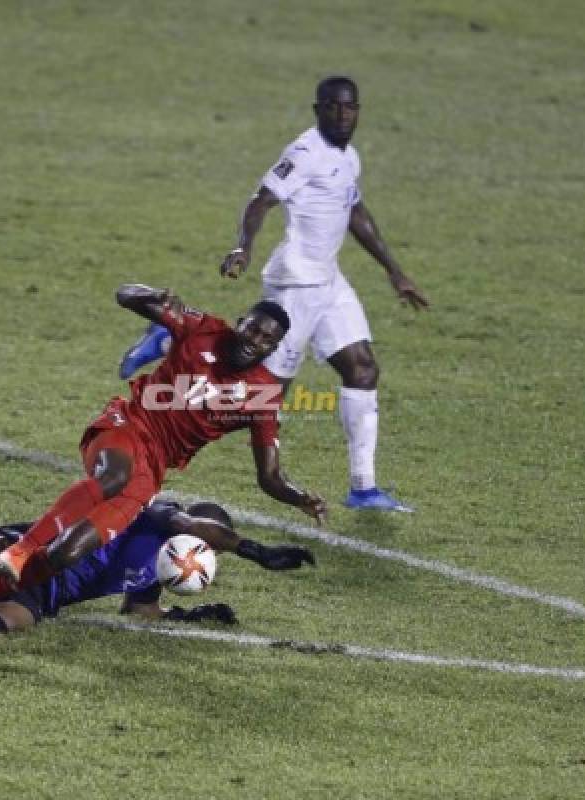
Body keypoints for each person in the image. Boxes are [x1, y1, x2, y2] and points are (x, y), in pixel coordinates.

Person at [119, 76, 429, 513]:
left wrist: (395, 271)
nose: (344, 115)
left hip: (330, 281)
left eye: (351, 107)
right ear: (318, 109)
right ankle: (168, 340)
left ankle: (363, 488)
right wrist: (243, 245)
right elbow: (260, 201)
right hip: (295, 281)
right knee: (264, 388)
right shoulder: (303, 153)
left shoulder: (349, 157)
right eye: (334, 108)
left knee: (362, 369)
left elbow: (355, 211)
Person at [0, 284, 325, 602]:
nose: (254, 340)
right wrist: (150, 296)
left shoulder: (263, 395)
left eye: (266, 339)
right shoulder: (204, 329)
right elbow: (123, 294)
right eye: (252, 329)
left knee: (65, 555)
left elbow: (269, 476)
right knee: (113, 478)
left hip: (153, 469)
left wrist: (298, 497)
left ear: (276, 348)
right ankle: (20, 548)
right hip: (127, 425)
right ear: (240, 322)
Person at [0, 500, 316, 633]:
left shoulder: (160, 571)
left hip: (45, 594)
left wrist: (190, 617)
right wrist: (255, 551)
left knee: (8, 625)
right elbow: (194, 523)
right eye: (209, 537)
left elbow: (140, 611)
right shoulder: (160, 515)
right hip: (36, 550)